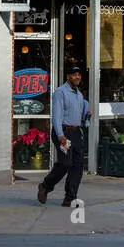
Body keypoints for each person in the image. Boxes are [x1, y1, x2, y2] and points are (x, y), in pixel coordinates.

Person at [38, 65, 89, 207]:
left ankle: (70, 198)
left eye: (79, 74)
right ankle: (45, 186)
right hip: (64, 133)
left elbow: (80, 115)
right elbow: (57, 115)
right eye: (74, 74)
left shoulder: (79, 95)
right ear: (68, 77)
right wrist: (60, 134)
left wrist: (86, 117)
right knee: (66, 163)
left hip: (76, 133)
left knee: (77, 166)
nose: (77, 77)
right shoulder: (60, 92)